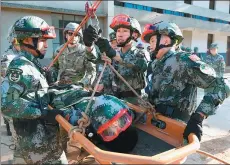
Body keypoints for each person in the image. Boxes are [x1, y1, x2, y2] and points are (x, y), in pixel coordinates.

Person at [141, 21, 230, 142]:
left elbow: (221, 86)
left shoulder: (183, 60)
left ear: (166, 41)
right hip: (157, 123)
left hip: (177, 128)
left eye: (152, 40)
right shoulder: (156, 63)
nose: (149, 45)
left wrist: (198, 118)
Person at [85, 14, 147, 105]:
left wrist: (114, 55)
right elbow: (94, 58)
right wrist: (89, 45)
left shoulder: (141, 54)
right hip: (114, 101)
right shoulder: (114, 54)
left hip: (134, 103)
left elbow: (138, 66)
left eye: (125, 31)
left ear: (134, 34)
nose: (120, 35)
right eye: (118, 31)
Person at [52, 22, 96, 87]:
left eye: (76, 34)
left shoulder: (85, 51)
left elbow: (91, 71)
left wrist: (83, 84)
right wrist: (53, 81)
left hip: (78, 87)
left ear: (79, 37)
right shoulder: (59, 50)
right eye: (70, 34)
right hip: (60, 86)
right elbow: (54, 68)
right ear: (66, 35)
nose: (73, 36)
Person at [1, 25, 21, 136]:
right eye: (17, 41)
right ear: (13, 41)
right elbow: (7, 78)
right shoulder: (8, 57)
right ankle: (9, 124)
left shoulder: (24, 53)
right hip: (12, 89)